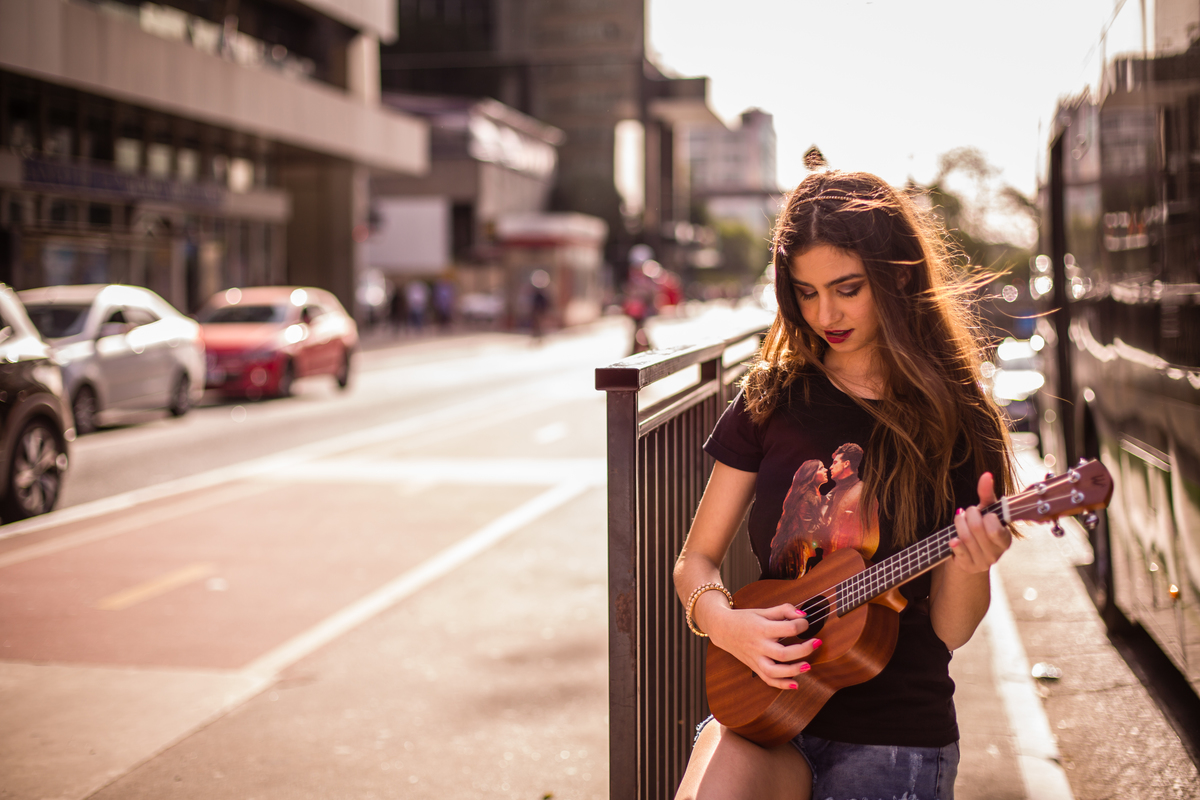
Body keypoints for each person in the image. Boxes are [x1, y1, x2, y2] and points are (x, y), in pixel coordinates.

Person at [672, 170, 1016, 800]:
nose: (824, 314)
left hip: (894, 734)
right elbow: (695, 559)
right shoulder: (771, 397)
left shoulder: (956, 418)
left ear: (900, 276)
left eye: (847, 289)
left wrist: (974, 561)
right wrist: (726, 624)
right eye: (804, 293)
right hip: (765, 716)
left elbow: (952, 631)